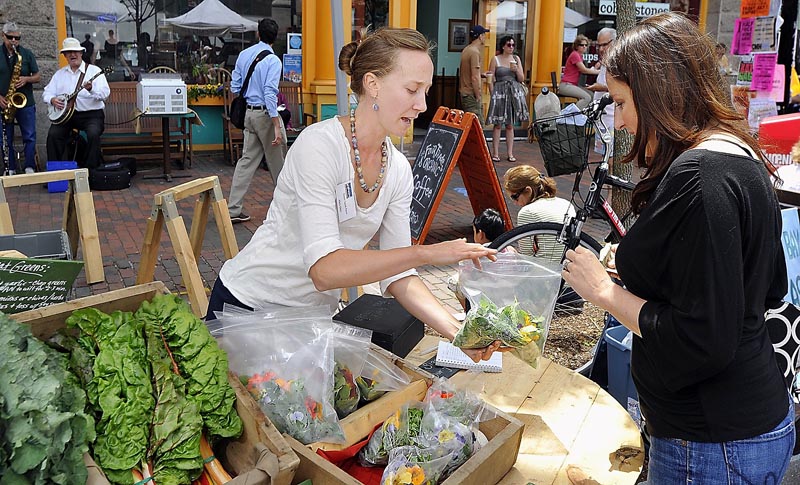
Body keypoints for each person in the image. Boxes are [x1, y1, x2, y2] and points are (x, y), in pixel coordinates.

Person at [562, 13, 795, 483]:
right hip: (741, 425)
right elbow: (767, 289)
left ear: (661, 95)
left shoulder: (700, 179)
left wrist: (603, 292)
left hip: (711, 441)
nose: (621, 119)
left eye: (624, 102)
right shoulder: (741, 156)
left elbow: (703, 337)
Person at [206, 27, 502, 363]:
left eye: (426, 91)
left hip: (309, 320)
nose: (422, 105)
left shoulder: (399, 170)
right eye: (411, 89)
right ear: (373, 84)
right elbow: (325, 270)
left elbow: (398, 275)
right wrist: (427, 254)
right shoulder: (319, 146)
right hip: (248, 308)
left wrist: (458, 332)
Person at [227, 18, 288, 224]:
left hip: (249, 115)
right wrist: (276, 124)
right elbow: (270, 94)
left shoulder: (244, 55)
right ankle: (288, 209)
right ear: (275, 37)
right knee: (278, 162)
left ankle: (233, 209)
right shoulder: (273, 61)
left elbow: (235, 88)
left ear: (258, 34)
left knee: (246, 162)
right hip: (265, 115)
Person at [43, 37, 110, 170]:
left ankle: (90, 171)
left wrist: (91, 89)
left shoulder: (95, 71)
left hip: (91, 115)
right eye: (69, 52)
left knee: (93, 133)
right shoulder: (59, 74)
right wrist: (52, 100)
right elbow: (47, 92)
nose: (73, 55)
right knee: (53, 135)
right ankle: (55, 173)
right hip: (67, 116)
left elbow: (105, 94)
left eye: (75, 52)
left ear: (81, 53)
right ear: (65, 56)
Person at [503, 165, 575, 259]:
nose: (515, 203)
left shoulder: (527, 212)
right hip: (569, 266)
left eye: (515, 197)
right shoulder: (566, 204)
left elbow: (526, 255)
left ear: (528, 191)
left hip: (544, 269)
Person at [447, 208, 510, 310]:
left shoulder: (475, 254)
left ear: (480, 234)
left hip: (483, 290)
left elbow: (465, 276)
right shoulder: (508, 249)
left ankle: (469, 311)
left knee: (453, 281)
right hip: (505, 288)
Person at [1, 22, 40, 175]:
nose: (14, 41)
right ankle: (10, 168)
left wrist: (26, 79)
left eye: (17, 38)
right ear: (3, 36)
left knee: (29, 135)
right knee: (5, 137)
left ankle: (29, 166)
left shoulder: (26, 54)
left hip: (25, 101)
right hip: (4, 102)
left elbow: (37, 76)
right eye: (10, 37)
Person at [487, 35, 529, 163]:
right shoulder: (496, 59)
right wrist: (492, 92)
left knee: (510, 125)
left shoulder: (516, 59)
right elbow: (490, 77)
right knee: (498, 124)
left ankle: (510, 153)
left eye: (513, 45)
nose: (511, 47)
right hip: (499, 92)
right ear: (503, 46)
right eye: (509, 45)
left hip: (512, 92)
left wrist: (516, 70)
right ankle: (495, 153)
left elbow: (521, 79)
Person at [586, 28, 615, 156]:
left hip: (612, 119)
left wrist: (600, 87)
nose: (601, 49)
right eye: (599, 45)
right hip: (602, 118)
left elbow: (623, 88)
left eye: (605, 44)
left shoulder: (617, 61)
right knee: (605, 156)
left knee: (610, 157)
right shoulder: (605, 61)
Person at [459, 25, 490, 125]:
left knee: (470, 125)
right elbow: (474, 77)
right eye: (484, 34)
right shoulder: (475, 52)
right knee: (478, 126)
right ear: (480, 36)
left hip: (464, 92)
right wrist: (478, 95)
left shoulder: (467, 49)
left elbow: (470, 72)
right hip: (471, 94)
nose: (485, 37)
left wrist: (481, 74)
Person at [558, 35, 599, 110]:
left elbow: (583, 70)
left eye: (586, 45)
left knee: (592, 95)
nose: (584, 47)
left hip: (572, 85)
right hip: (566, 85)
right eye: (581, 45)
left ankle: (586, 116)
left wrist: (595, 69)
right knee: (586, 98)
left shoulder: (579, 56)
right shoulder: (575, 55)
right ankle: (571, 116)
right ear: (576, 46)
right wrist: (600, 72)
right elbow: (584, 70)